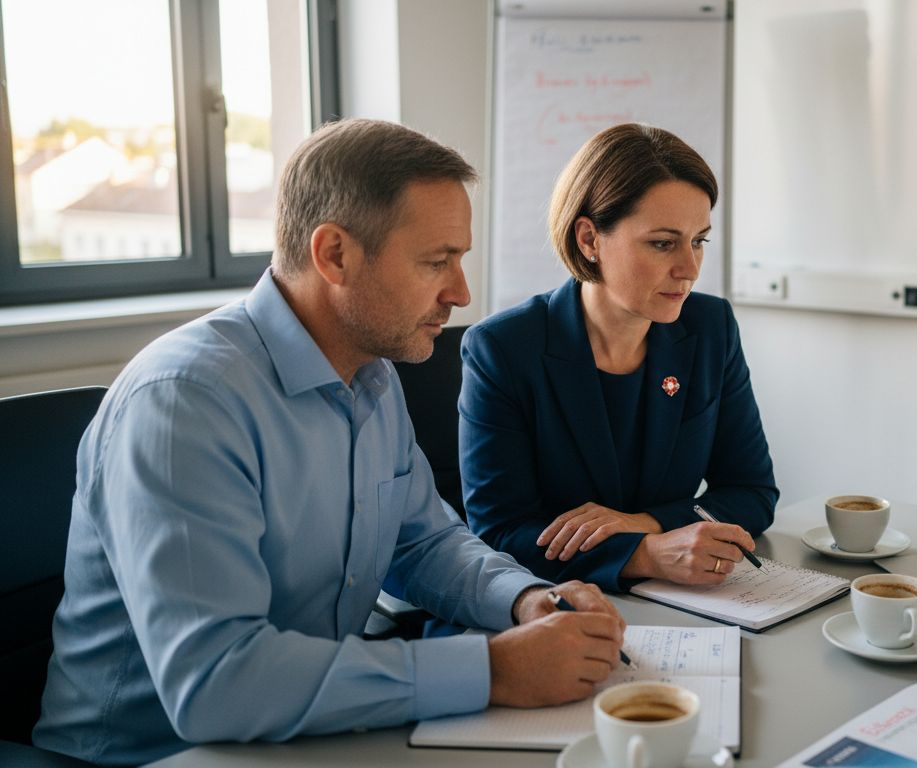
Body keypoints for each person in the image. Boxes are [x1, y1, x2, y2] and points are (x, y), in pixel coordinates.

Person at [33, 119, 625, 767]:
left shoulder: (370, 375)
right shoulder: (185, 403)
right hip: (156, 757)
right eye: (437, 261)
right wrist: (492, 669)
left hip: (306, 736)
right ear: (335, 254)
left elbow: (421, 542)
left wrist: (524, 599)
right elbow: (217, 683)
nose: (460, 293)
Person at [460, 123, 778, 594]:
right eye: (663, 243)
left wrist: (645, 523)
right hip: (557, 603)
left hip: (682, 599)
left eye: (699, 241)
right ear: (589, 239)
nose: (689, 268)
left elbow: (753, 492)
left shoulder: (711, 328)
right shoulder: (502, 349)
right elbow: (499, 533)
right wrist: (644, 554)